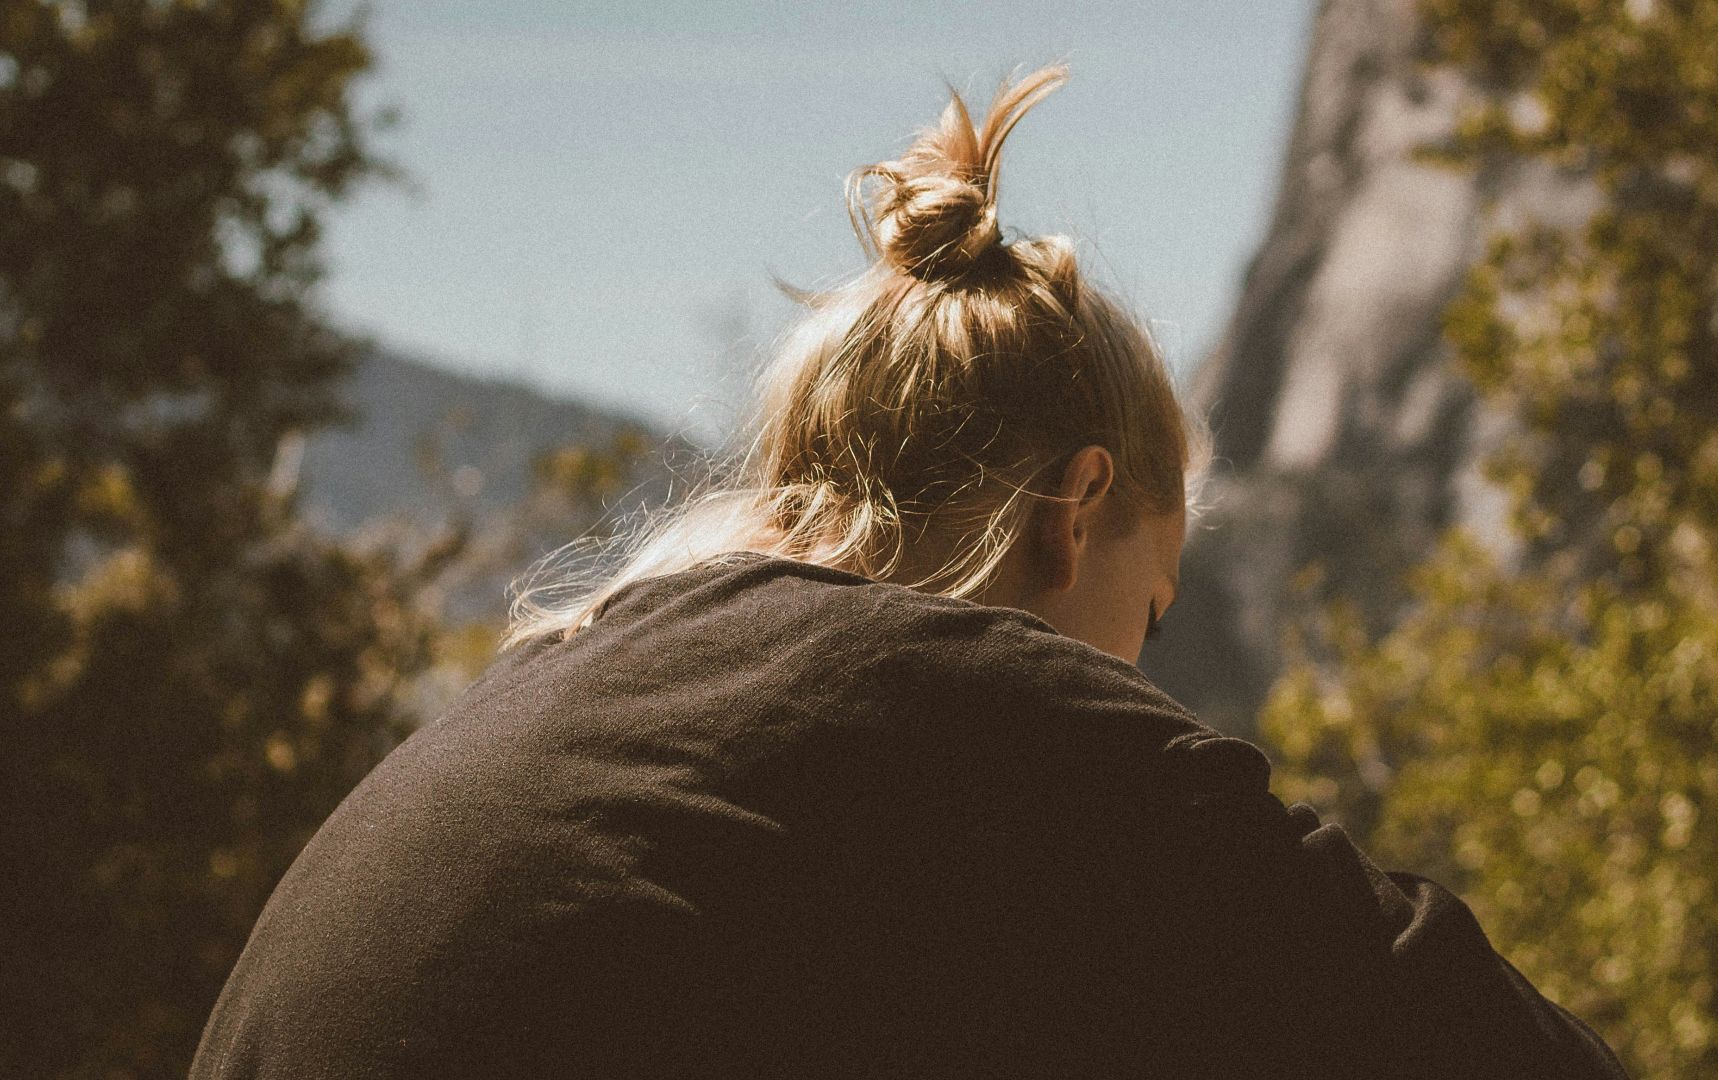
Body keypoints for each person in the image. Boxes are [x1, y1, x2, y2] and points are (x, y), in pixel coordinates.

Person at [189, 64, 1629, 1079]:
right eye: (1153, 602)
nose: (1140, 661)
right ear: (1077, 512)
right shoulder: (980, 703)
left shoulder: (577, 693)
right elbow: (1483, 1047)